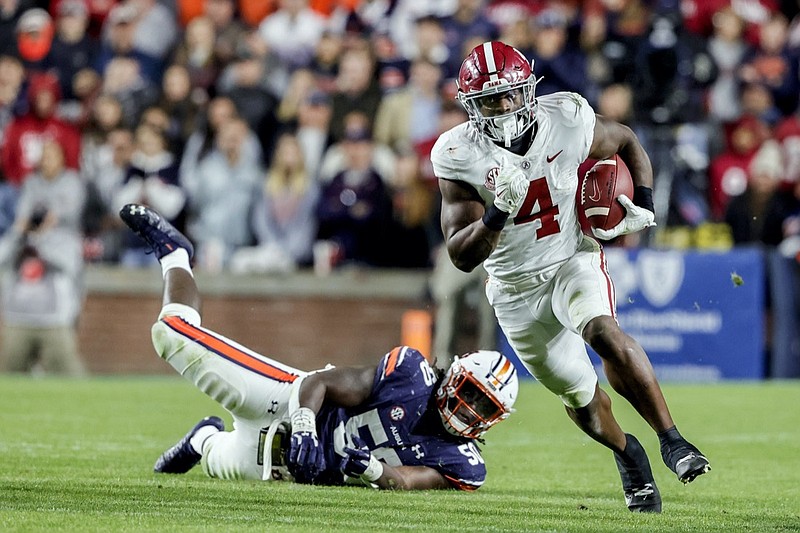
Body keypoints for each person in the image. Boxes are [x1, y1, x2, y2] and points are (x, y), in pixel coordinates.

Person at [432, 41, 711, 513]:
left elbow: (624, 138)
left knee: (603, 331)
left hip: (569, 260)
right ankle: (630, 454)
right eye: (488, 100)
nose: (502, 107)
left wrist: (643, 201)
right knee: (580, 396)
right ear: (469, 106)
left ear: (529, 89)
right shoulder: (458, 153)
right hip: (515, 291)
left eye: (510, 95)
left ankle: (673, 440)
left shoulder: (566, 118)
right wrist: (498, 212)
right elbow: (461, 254)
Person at [117, 203, 519, 490]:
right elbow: (322, 382)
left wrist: (373, 472)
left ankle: (201, 438)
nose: (471, 409)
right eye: (472, 395)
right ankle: (176, 257)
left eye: (485, 407)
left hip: (289, 467)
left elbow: (410, 480)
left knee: (216, 457)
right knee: (171, 335)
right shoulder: (410, 372)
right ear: (455, 376)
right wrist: (307, 428)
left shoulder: (464, 464)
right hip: (286, 404)